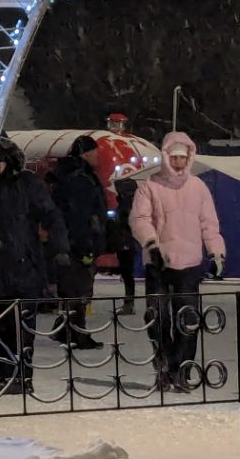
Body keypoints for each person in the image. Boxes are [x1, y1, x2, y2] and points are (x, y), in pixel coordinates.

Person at [0, 135, 68, 394]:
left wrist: (59, 248)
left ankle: (21, 376)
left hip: (23, 265)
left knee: (21, 327)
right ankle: (3, 374)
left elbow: (51, 214)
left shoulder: (25, 183)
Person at [130, 131, 225, 390]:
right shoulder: (150, 186)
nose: (179, 162)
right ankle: (164, 367)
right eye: (174, 157)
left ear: (190, 157)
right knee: (157, 319)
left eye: (183, 157)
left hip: (189, 265)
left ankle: (182, 369)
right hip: (158, 264)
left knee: (188, 320)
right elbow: (140, 219)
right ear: (166, 157)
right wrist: (151, 244)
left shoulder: (198, 187)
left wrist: (216, 252)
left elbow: (209, 223)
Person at [50, 135, 107, 350]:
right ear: (86, 153)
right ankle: (76, 333)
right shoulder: (81, 179)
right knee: (79, 290)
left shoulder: (68, 175)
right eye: (95, 151)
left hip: (66, 241)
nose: (97, 156)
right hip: (77, 243)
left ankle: (66, 329)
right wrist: (86, 245)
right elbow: (80, 216)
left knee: (71, 289)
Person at [106, 176, 141, 315]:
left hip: (126, 242)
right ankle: (129, 302)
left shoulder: (127, 204)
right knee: (127, 273)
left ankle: (129, 303)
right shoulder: (129, 203)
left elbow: (127, 223)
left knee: (127, 273)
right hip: (126, 242)